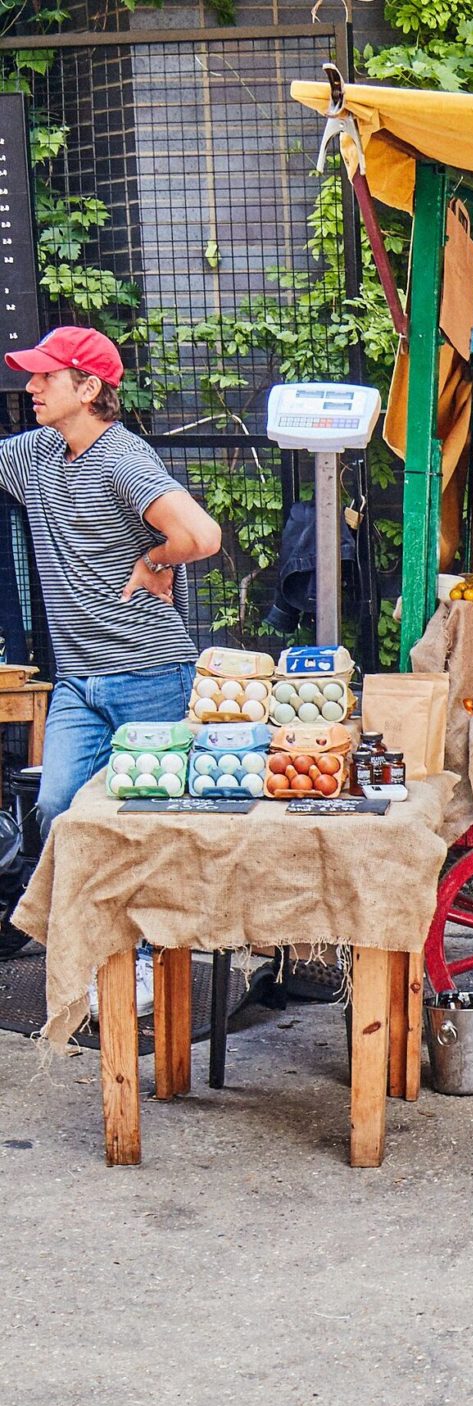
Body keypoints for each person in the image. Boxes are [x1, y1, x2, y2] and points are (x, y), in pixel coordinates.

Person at [0, 327, 223, 1009]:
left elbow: (202, 535)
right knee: (59, 809)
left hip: (149, 675)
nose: (31, 387)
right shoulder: (37, 454)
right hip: (78, 682)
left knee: (145, 822)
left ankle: (149, 959)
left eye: (46, 376)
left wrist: (154, 560)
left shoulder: (124, 459)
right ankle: (98, 950)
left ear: (89, 387)